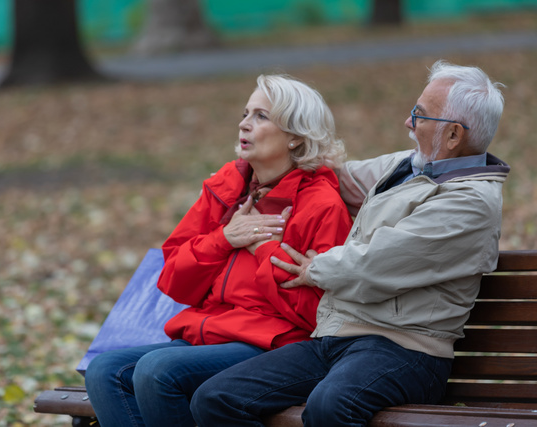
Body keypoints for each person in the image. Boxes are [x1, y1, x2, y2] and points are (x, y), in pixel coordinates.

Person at [190, 60, 510, 427]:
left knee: (330, 407)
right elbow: (335, 178)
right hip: (336, 337)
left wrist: (314, 268)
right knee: (216, 399)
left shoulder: (469, 203)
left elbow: (375, 264)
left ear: (454, 136)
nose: (408, 123)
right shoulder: (408, 166)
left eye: (420, 116)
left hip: (406, 351)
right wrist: (252, 170)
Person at [85, 74, 353, 427]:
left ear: (295, 137)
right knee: (104, 370)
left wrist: (263, 248)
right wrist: (224, 238)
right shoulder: (228, 188)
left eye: (261, 116)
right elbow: (173, 281)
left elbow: (315, 315)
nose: (244, 124)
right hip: (211, 331)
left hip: (273, 342)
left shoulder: (320, 205)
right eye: (245, 113)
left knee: (157, 371)